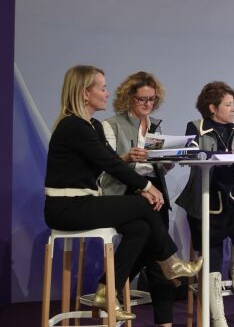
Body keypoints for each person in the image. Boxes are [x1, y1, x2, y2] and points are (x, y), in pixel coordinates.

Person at [44, 65, 202, 321]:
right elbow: (112, 165)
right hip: (65, 208)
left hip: (83, 203)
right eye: (102, 88)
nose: (107, 93)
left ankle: (107, 290)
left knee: (140, 227)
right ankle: (171, 262)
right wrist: (147, 186)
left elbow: (110, 160)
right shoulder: (72, 126)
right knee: (143, 205)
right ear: (85, 93)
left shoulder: (91, 125)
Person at [99, 71, 176, 327]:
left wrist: (167, 162)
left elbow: (158, 166)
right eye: (142, 99)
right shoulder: (111, 125)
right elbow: (105, 167)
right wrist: (127, 158)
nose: (147, 104)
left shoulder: (156, 125)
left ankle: (110, 287)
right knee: (158, 253)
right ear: (129, 98)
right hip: (124, 192)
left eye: (151, 99)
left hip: (154, 191)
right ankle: (111, 287)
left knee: (156, 254)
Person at [176, 81, 234, 327]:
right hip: (204, 199)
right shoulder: (195, 128)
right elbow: (191, 157)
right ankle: (218, 318)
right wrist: (220, 156)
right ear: (213, 107)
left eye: (233, 104)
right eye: (228, 105)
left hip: (233, 195)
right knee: (211, 257)